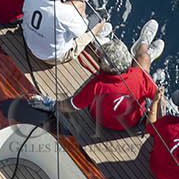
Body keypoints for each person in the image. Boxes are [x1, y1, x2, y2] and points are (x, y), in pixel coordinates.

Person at [32, 26, 165, 130]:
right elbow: (159, 98)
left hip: (98, 119)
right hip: (132, 123)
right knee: (144, 59)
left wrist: (51, 104)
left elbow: (72, 105)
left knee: (143, 63)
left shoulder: (97, 85)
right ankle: (143, 45)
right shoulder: (140, 77)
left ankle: (143, 46)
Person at [21, 0, 112, 65]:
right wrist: (83, 11)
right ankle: (100, 26)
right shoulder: (66, 14)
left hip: (28, 42)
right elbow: (82, 31)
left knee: (74, 9)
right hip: (51, 57)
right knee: (91, 28)